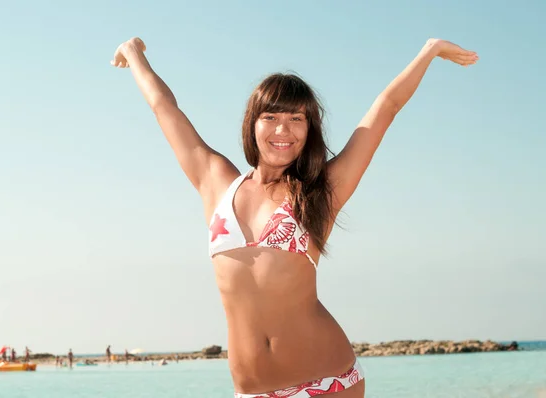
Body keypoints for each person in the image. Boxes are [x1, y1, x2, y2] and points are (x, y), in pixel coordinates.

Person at [111, 37, 477, 398]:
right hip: (253, 390)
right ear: (252, 124)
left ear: (309, 128)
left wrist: (429, 52)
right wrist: (133, 53)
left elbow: (386, 108)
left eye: (296, 119)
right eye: (270, 117)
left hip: (328, 382)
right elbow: (164, 107)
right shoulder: (216, 181)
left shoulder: (321, 191)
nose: (282, 130)